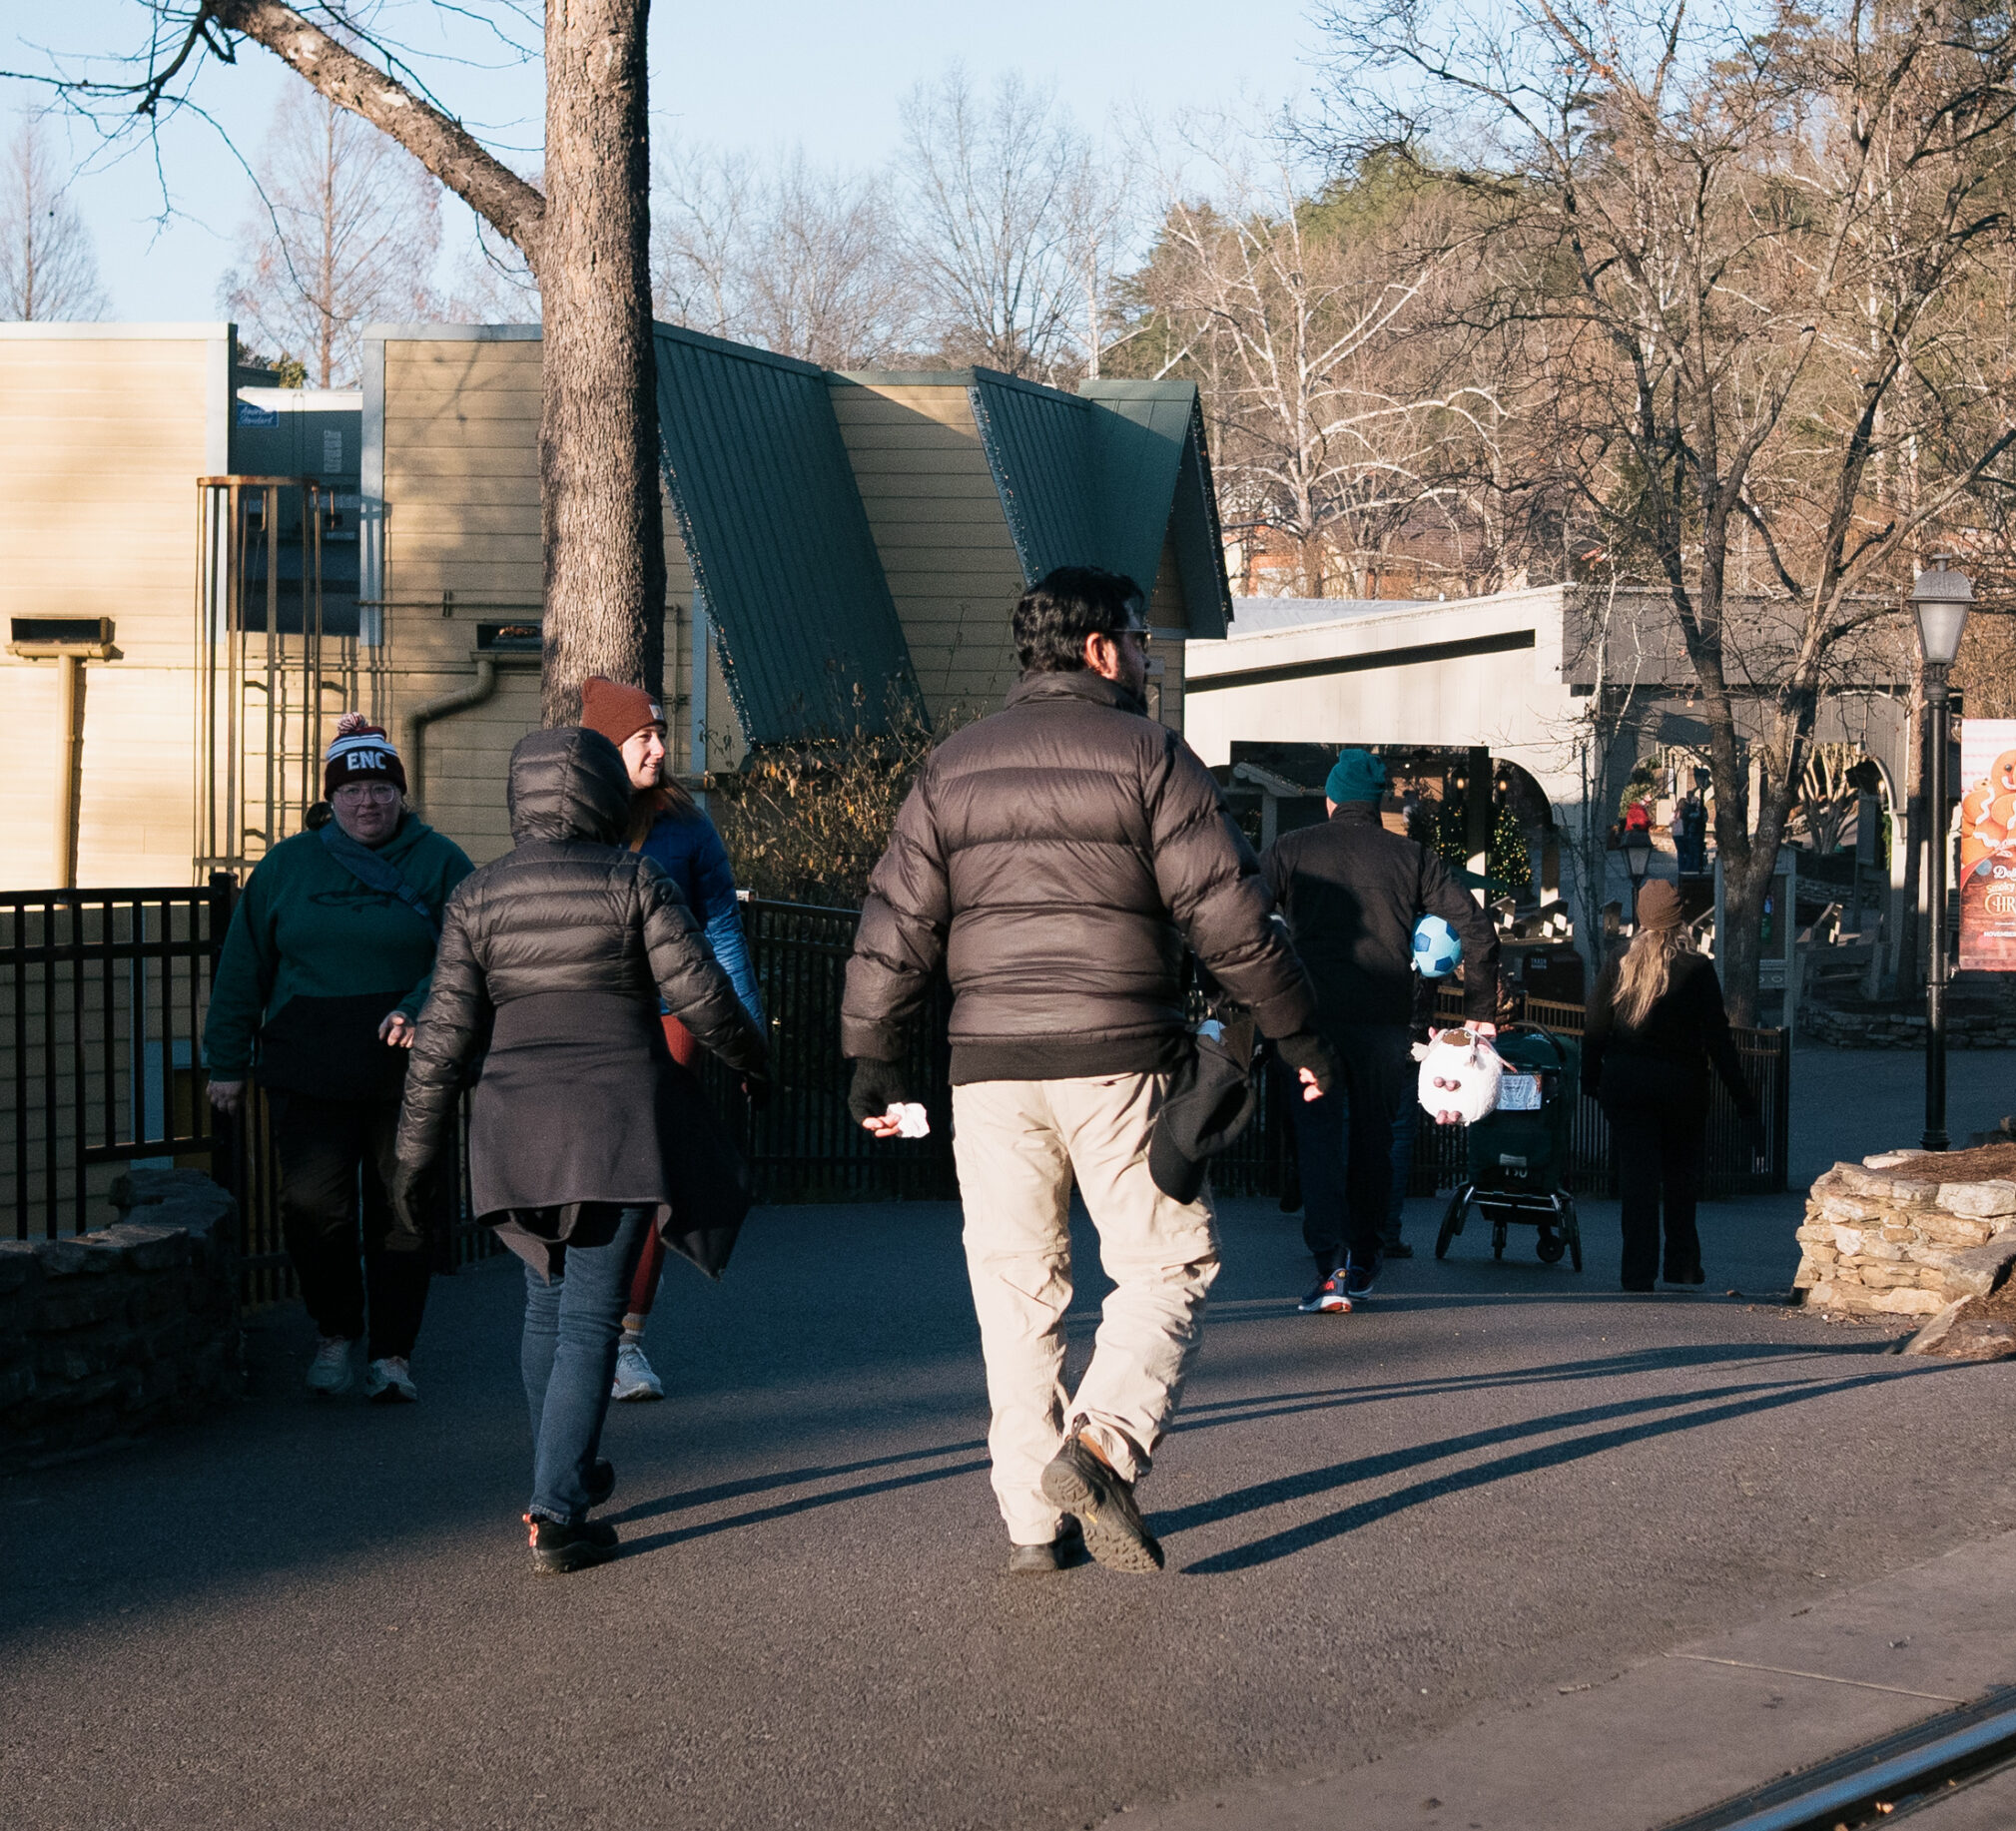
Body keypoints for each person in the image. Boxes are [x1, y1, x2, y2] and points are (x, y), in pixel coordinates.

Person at [842, 564, 1333, 1578]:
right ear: (1101, 649)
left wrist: (873, 1054)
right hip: (1118, 1059)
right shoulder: (1150, 754)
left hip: (987, 1069)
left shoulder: (953, 764)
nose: (1148, 659)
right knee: (1168, 1262)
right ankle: (1102, 1445)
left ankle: (1032, 1522)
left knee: (1016, 1293)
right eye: (1141, 641)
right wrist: (1299, 1035)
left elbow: (897, 922)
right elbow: (1229, 917)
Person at [392, 727, 771, 1575]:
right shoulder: (635, 880)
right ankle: (558, 1511)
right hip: (614, 1123)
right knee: (594, 1319)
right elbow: (703, 997)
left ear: (519, 797)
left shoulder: (478, 894)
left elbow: (442, 1039)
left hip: (514, 1128)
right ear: (604, 794)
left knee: (544, 1308)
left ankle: (565, 1471)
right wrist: (758, 1064)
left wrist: (411, 1160)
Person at [203, 717, 473, 1405]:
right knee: (311, 1209)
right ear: (331, 798)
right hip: (308, 1066)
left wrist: (419, 1004)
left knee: (403, 1209)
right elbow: (242, 968)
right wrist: (226, 1061)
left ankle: (393, 1354)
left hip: (408, 1071)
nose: (368, 802)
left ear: (401, 794)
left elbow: (472, 951)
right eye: (352, 789)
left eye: (381, 788)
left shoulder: (441, 861)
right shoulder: (287, 866)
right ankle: (335, 1331)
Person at [577, 676, 768, 1405]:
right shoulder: (571, 819)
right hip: (589, 1019)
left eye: (660, 734)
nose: (659, 748)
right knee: (587, 1175)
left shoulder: (687, 826)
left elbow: (723, 933)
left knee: (648, 1180)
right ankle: (578, 1327)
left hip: (670, 1019)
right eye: (643, 737)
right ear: (606, 748)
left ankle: (627, 1339)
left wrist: (747, 1040)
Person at [1260, 749, 1501, 1311]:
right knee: (1374, 1141)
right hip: (1385, 1024)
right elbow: (1477, 929)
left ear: (1331, 799)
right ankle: (1366, 1259)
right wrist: (1479, 1007)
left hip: (1311, 1021)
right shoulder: (1412, 858)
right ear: (1377, 804)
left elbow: (1238, 909)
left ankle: (1331, 1267)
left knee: (1318, 1138)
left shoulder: (1292, 850)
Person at [1580, 880, 1758, 1293]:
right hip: (1682, 1086)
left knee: (1637, 1181)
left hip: (1627, 1084)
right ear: (1679, 919)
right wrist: (1743, 1099)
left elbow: (1595, 1028)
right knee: (1681, 1177)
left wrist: (1591, 1080)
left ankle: (1637, 1271)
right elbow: (1718, 1039)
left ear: (1642, 917)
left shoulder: (1619, 961)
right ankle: (1682, 1264)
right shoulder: (1696, 968)